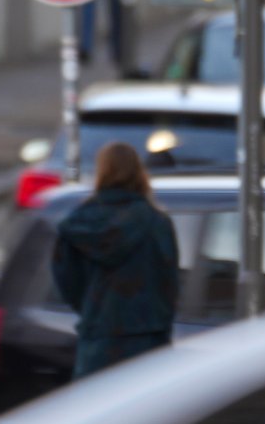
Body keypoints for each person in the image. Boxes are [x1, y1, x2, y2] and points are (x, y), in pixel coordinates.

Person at [52, 141, 179, 378]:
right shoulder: (157, 223)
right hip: (147, 341)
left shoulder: (78, 223)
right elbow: (168, 283)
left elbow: (66, 281)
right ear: (139, 171)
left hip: (98, 342)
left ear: (101, 171)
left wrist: (93, 308)